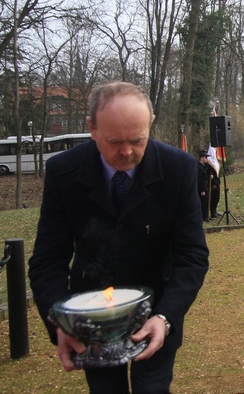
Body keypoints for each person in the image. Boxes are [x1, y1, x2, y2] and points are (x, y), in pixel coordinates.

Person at [28, 81, 210, 393]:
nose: (126, 152)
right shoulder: (63, 172)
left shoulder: (179, 169)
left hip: (156, 311)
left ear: (150, 124)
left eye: (137, 140)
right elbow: (47, 261)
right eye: (114, 141)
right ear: (91, 128)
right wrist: (60, 323)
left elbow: (192, 255)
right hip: (90, 319)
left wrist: (166, 317)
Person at [198, 150, 211, 221]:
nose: (206, 159)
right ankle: (203, 217)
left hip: (206, 186)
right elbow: (199, 180)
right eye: (205, 157)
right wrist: (202, 190)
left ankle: (206, 216)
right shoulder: (199, 167)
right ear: (201, 158)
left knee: (205, 202)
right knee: (203, 203)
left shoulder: (204, 166)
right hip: (202, 188)